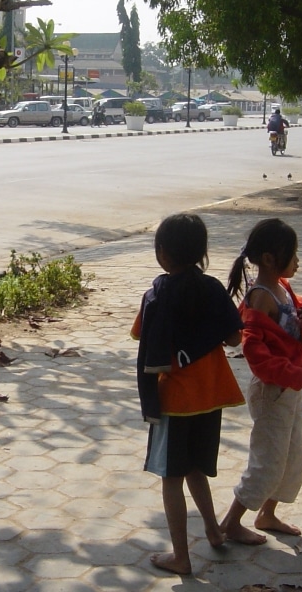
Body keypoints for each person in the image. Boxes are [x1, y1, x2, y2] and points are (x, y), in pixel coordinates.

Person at [132, 213, 244, 575]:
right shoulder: (212, 287)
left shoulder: (157, 294)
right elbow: (233, 337)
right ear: (201, 252)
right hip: (212, 395)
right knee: (197, 467)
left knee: (171, 479)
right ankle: (212, 530)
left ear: (162, 252)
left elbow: (141, 338)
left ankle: (181, 556)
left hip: (175, 401)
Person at [220, 218, 302, 545]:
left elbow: (298, 309)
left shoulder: (281, 286)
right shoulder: (260, 296)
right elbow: (253, 349)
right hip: (272, 391)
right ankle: (231, 523)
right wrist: (288, 373)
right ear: (269, 258)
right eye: (292, 255)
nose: (297, 261)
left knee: (293, 456)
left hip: (289, 390)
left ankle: (268, 512)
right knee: (268, 461)